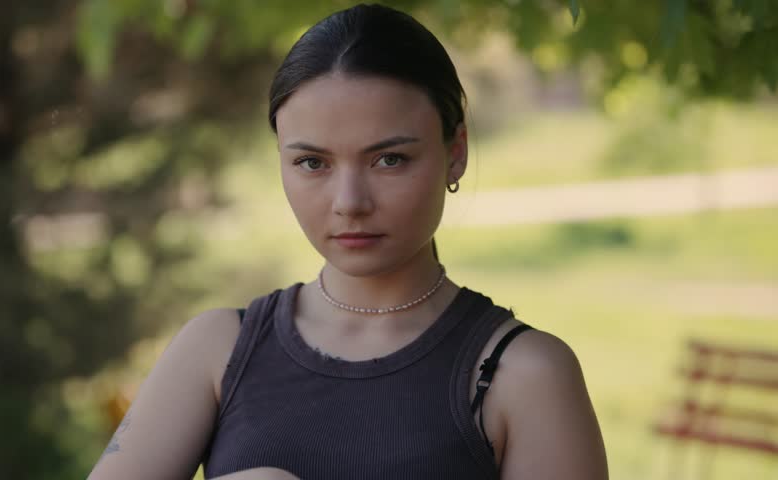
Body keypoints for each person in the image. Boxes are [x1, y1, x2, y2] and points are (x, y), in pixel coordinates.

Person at [88, 4, 608, 479]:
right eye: (312, 163)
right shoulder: (218, 350)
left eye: (390, 159)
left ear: (456, 151)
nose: (349, 202)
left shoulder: (523, 376)